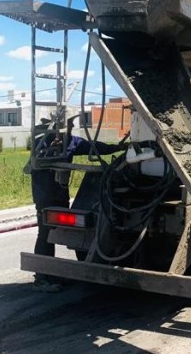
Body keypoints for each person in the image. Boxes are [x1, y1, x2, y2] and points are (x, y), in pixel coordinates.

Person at [26, 125, 125, 292]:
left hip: (60, 194)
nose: (67, 131)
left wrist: (119, 147)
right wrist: (50, 150)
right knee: (45, 234)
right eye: (65, 128)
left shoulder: (72, 142)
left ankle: (64, 272)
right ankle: (41, 278)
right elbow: (34, 163)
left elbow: (95, 147)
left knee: (62, 231)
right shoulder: (41, 142)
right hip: (45, 195)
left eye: (69, 127)